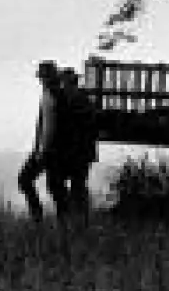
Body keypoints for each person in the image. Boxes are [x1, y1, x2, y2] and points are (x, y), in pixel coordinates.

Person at [50, 67, 99, 221]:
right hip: (76, 153)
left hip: (79, 153)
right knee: (67, 186)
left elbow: (85, 129)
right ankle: (71, 218)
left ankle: (76, 219)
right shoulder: (75, 99)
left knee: (75, 188)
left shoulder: (81, 101)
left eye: (65, 82)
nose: (63, 85)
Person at [18, 61, 60, 221]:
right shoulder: (52, 94)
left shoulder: (52, 95)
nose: (41, 80)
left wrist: (42, 151)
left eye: (43, 77)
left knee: (26, 180)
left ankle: (38, 217)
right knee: (55, 187)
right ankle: (61, 220)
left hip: (48, 150)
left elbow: (50, 127)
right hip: (49, 149)